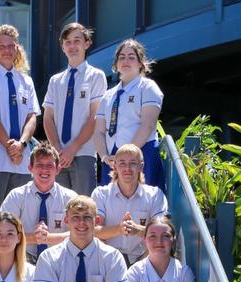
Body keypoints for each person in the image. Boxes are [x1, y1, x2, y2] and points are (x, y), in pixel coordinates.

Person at [0, 24, 40, 208]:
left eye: (10, 46)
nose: (6, 50)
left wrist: (22, 145)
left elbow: (32, 116)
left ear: (17, 48)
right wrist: (11, 147)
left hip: (22, 160)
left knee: (18, 217)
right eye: (1, 46)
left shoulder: (25, 80)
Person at [42, 22, 107, 196]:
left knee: (83, 209)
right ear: (62, 47)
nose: (72, 46)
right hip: (58, 156)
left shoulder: (96, 76)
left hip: (84, 154)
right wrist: (57, 149)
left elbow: (95, 116)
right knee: (59, 212)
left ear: (87, 43)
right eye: (67, 42)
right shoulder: (55, 81)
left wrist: (73, 148)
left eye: (77, 40)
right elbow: (48, 117)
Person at [94, 39, 164, 190]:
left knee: (144, 206)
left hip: (141, 155)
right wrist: (105, 156)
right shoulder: (107, 96)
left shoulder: (148, 87)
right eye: (122, 57)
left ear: (141, 63)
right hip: (112, 161)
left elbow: (148, 124)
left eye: (131, 57)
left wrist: (126, 157)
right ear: (116, 64)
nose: (126, 61)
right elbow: (99, 131)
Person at [92, 144, 168, 266]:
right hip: (108, 258)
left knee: (159, 246)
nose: (127, 168)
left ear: (141, 166)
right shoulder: (101, 193)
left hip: (144, 258)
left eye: (133, 163)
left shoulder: (155, 195)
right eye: (122, 163)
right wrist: (119, 229)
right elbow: (94, 230)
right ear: (115, 167)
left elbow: (163, 232)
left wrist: (137, 230)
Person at [0, 141, 76, 262]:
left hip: (60, 256)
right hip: (23, 255)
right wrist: (34, 238)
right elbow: (3, 232)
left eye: (49, 165)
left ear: (58, 169)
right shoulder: (16, 196)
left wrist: (48, 238)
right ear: (30, 168)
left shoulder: (70, 198)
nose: (44, 170)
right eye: (39, 165)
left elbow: (78, 233)